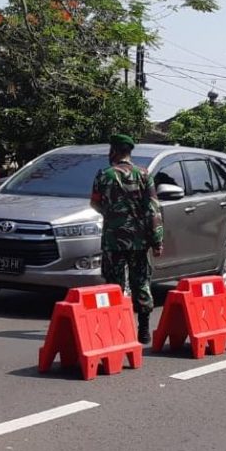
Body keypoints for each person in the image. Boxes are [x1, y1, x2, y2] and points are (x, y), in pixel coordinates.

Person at [90, 134, 164, 344]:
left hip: (113, 240)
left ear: (114, 151)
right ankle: (143, 330)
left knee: (113, 285)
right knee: (141, 282)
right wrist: (157, 240)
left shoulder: (104, 175)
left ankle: (114, 329)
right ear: (129, 152)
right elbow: (153, 209)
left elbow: (95, 203)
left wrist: (112, 214)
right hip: (139, 241)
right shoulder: (143, 175)